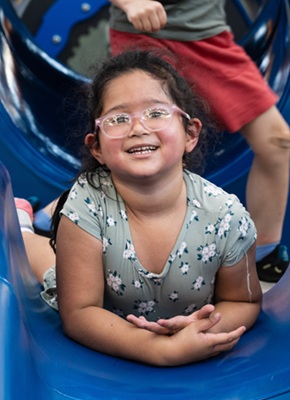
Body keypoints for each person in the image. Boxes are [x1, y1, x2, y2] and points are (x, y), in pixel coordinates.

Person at [16, 50, 262, 366]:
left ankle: (41, 214)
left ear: (190, 133)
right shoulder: (87, 202)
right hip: (101, 298)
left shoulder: (225, 217)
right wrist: (159, 350)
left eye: (156, 113)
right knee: (48, 265)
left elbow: (243, 301)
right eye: (119, 119)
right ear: (97, 147)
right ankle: (22, 222)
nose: (138, 128)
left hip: (178, 307)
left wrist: (202, 329)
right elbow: (78, 313)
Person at [107, 0, 290, 283]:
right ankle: (54, 217)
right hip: (148, 35)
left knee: (278, 142)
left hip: (209, 39)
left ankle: (261, 255)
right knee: (145, 148)